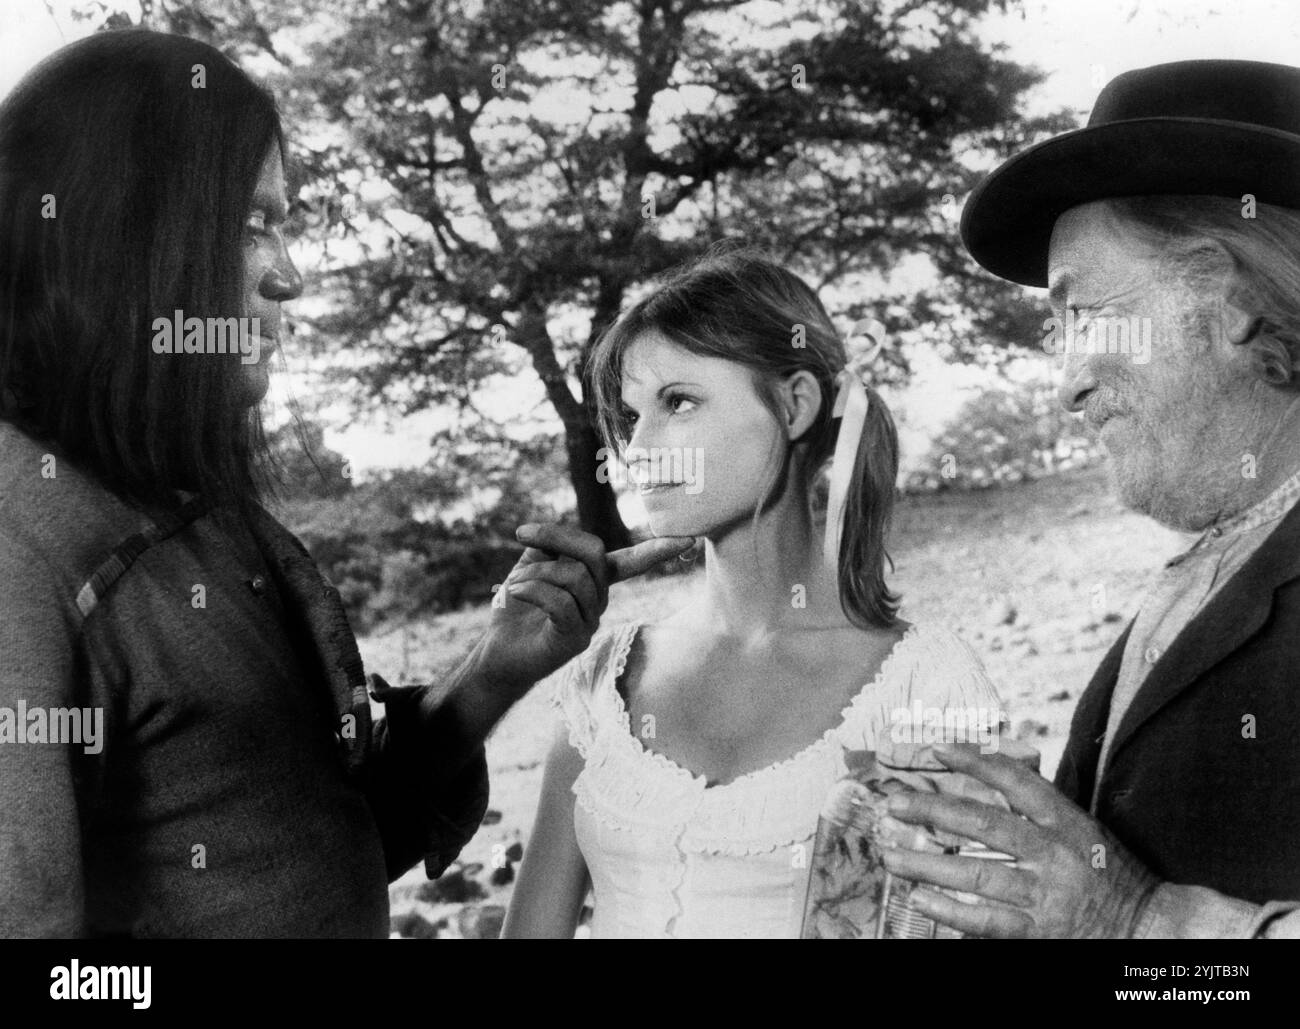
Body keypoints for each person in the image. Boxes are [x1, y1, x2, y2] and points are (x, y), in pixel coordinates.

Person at [0, 29, 692, 938]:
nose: (291, 275)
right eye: (255, 225)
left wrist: (493, 669)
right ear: (127, 232)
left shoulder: (199, 514)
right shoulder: (24, 554)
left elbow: (316, 833)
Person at [881, 59, 1300, 938]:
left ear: (1229, 300)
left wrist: (1134, 920)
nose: (1066, 387)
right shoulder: (1215, 568)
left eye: (1087, 315)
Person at [503, 248, 1007, 939]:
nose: (638, 447)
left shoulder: (928, 684)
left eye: (678, 402)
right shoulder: (603, 680)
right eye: (630, 414)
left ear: (795, 404)